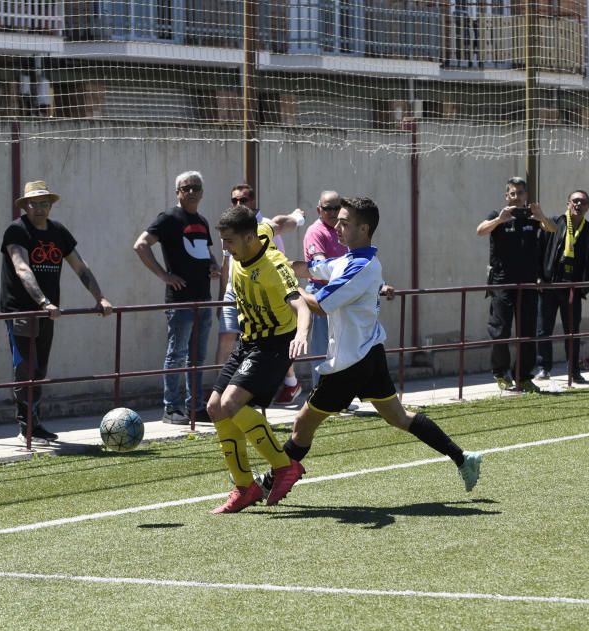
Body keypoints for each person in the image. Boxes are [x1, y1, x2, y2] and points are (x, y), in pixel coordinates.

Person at [276, 196, 483, 499]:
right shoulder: (349, 259)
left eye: (345, 223)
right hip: (369, 354)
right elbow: (315, 268)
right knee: (400, 418)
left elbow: (320, 305)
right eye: (337, 221)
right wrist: (279, 264)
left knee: (302, 422)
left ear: (364, 228)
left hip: (350, 362)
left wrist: (286, 289)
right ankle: (464, 459)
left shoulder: (361, 266)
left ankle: (271, 479)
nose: (337, 227)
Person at [207, 204, 312, 514]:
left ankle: (284, 466)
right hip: (248, 341)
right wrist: (295, 219)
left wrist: (302, 334)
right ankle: (245, 487)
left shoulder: (274, 268)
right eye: (222, 241)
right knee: (215, 407)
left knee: (231, 404)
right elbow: (273, 224)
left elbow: (302, 306)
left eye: (230, 242)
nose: (225, 249)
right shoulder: (256, 233)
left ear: (249, 238)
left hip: (274, 344)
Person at [0, 180, 113, 443]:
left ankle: (35, 425)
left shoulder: (58, 232)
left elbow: (80, 267)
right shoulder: (16, 231)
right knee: (25, 368)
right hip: (22, 310)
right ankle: (25, 428)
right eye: (33, 203)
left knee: (39, 370)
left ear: (50, 205)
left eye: (44, 203)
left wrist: (101, 298)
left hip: (48, 312)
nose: (39, 208)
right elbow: (21, 268)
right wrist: (43, 302)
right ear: (25, 206)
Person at [134, 171, 220, 425]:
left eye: (195, 187)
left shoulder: (202, 221)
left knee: (198, 357)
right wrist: (164, 275)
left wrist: (214, 266)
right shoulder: (169, 218)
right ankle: (171, 409)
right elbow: (141, 245)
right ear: (178, 193)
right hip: (180, 301)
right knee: (177, 355)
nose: (191, 191)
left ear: (202, 191)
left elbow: (207, 252)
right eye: (186, 188)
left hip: (203, 298)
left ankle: (195, 407)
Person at [214, 183, 305, 404]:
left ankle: (289, 381)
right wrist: (221, 296)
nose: (238, 204)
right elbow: (227, 263)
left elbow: (280, 223)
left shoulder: (267, 248)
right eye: (234, 200)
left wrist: (297, 218)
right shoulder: (233, 236)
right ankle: (222, 387)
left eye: (243, 200)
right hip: (242, 307)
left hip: (271, 313)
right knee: (217, 406)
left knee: (232, 405)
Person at [476, 176, 557, 392]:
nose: (516, 197)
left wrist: (540, 216)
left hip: (528, 284)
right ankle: (500, 372)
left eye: (520, 193)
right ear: (506, 195)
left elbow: (552, 229)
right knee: (501, 330)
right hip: (502, 283)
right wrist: (500, 220)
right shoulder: (499, 215)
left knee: (527, 332)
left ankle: (522, 377)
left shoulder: (532, 217)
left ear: (526, 195)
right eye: (512, 193)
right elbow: (480, 230)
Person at [536, 189, 589, 384]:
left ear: (588, 207)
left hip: (572, 289)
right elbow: (539, 251)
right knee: (543, 330)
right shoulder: (553, 225)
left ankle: (573, 371)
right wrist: (539, 277)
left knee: (572, 331)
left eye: (582, 202)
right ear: (567, 204)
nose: (578, 205)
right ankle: (544, 368)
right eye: (574, 201)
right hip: (550, 286)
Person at [302, 190, 345, 389]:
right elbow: (320, 267)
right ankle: (321, 396)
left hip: (341, 292)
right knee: (322, 348)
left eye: (337, 207)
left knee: (340, 347)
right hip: (321, 292)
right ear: (319, 209)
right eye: (328, 208)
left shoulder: (342, 230)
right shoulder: (315, 231)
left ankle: (338, 394)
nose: (333, 212)